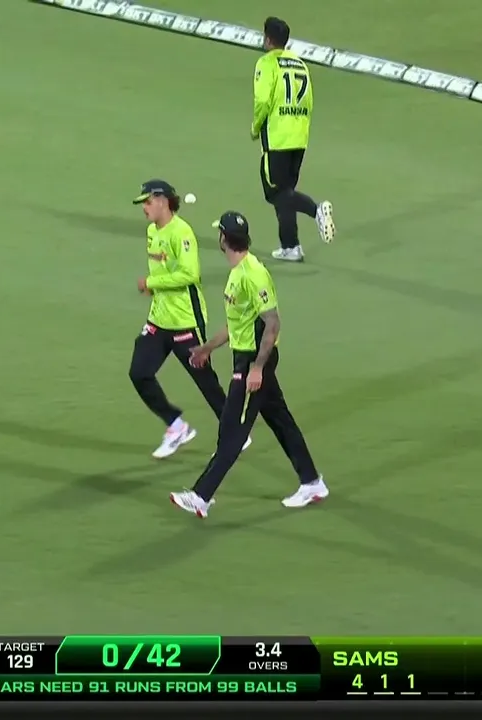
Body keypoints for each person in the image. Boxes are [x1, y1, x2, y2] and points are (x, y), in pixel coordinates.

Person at [170, 211, 328, 518]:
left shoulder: (253, 274)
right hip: (246, 356)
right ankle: (312, 482)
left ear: (224, 239)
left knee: (233, 429)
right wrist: (207, 348)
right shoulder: (238, 272)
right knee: (280, 419)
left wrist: (257, 368)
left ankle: (201, 497)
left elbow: (273, 323)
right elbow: (237, 324)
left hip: (254, 361)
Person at [130, 180, 251, 459]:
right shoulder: (152, 231)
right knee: (139, 372)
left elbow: (189, 274)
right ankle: (176, 426)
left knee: (204, 379)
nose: (144, 208)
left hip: (185, 320)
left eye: (148, 201)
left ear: (163, 201)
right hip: (159, 319)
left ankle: (235, 431)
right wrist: (155, 288)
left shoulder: (182, 232)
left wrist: (151, 282)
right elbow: (164, 270)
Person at [252, 16, 336, 262]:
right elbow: (309, 100)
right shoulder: (300, 64)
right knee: (286, 193)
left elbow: (262, 101)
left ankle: (316, 210)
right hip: (299, 136)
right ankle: (291, 246)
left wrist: (256, 127)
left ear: (268, 39)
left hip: (278, 137)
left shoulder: (266, 63)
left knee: (274, 192)